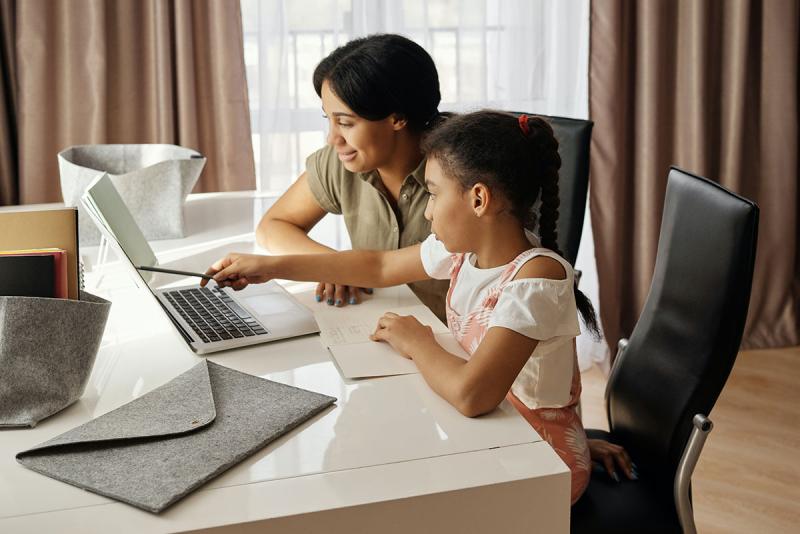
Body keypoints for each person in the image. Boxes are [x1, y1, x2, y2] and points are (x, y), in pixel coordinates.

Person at [256, 33, 634, 485]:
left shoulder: (532, 282)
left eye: (432, 194)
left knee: (379, 485)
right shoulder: (461, 252)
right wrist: (266, 266)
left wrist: (418, 342)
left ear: (477, 199)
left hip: (528, 467)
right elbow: (377, 266)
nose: (427, 208)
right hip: (493, 428)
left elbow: (473, 395)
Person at [255, 34, 449, 320]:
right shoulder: (344, 160)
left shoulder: (462, 173)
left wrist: (340, 266)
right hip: (378, 330)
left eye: (345, 122)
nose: (332, 138)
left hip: (457, 346)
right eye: (329, 119)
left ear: (398, 118)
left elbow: (380, 268)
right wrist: (334, 266)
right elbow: (272, 226)